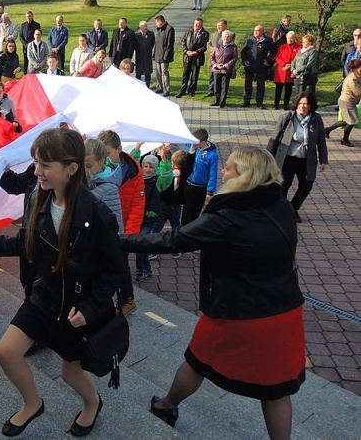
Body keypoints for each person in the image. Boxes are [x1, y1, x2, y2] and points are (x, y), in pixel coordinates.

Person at [121, 145, 306, 440]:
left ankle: (167, 406)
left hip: (237, 311)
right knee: (277, 389)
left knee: (197, 361)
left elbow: (172, 241)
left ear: (245, 176)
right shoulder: (282, 207)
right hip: (285, 310)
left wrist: (122, 241)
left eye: (229, 168)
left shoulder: (227, 218)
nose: (223, 171)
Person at [0, 128, 126, 438]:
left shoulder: (98, 213)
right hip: (44, 298)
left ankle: (92, 403)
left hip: (77, 311)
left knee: (70, 374)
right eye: (36, 163)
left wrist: (90, 307)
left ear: (72, 169)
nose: (37, 172)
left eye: (45, 165)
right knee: (6, 352)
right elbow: (25, 241)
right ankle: (33, 403)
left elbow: (114, 270)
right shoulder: (39, 195)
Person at [97, 129, 144, 315]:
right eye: (102, 155)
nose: (105, 159)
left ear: (119, 149)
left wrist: (129, 236)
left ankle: (127, 299)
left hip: (122, 230)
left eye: (107, 154)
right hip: (103, 226)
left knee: (121, 266)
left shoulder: (134, 172)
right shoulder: (101, 167)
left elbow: (137, 206)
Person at [267, 92, 328, 223]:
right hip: (287, 157)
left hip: (306, 159)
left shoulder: (316, 119)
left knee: (307, 185)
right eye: (300, 103)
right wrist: (268, 158)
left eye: (306, 104)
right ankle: (284, 211)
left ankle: (293, 209)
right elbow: (274, 139)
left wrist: (324, 160)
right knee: (283, 186)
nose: (302, 106)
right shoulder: (287, 117)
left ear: (311, 106)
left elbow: (321, 141)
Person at [133, 154, 172, 281]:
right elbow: (131, 163)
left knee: (141, 243)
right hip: (138, 216)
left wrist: (164, 161)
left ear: (156, 168)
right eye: (145, 166)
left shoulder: (158, 181)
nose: (148, 169)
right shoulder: (138, 178)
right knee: (142, 244)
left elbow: (167, 176)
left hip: (150, 219)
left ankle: (140, 269)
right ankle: (147, 268)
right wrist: (137, 149)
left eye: (151, 167)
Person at [181, 128, 218, 226]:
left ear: (203, 142)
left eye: (196, 142)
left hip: (200, 187)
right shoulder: (190, 146)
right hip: (188, 184)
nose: (193, 144)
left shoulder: (212, 155)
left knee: (195, 212)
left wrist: (210, 191)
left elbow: (213, 174)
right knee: (186, 212)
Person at [325, 58, 361, 147]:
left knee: (346, 121)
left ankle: (328, 130)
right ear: (356, 68)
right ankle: (345, 139)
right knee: (352, 121)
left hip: (348, 101)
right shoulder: (352, 79)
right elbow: (358, 92)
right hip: (347, 102)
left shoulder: (356, 75)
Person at [241, 25, 275, 109]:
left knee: (260, 85)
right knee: (248, 84)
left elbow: (274, 52)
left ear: (262, 31)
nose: (255, 32)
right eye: (255, 30)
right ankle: (246, 101)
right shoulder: (249, 39)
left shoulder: (268, 40)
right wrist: (245, 60)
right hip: (250, 66)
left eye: (258, 31)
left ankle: (259, 102)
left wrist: (268, 61)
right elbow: (243, 52)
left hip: (261, 66)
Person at [176, 18, 209, 98]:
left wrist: (196, 52)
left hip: (197, 58)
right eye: (195, 24)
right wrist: (186, 51)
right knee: (185, 75)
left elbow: (205, 46)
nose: (196, 26)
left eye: (198, 24)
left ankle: (192, 90)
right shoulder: (189, 31)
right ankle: (182, 90)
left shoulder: (205, 34)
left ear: (201, 25)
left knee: (194, 76)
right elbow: (183, 41)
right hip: (187, 57)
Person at [209, 30, 238, 109]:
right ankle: (216, 101)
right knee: (216, 86)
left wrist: (226, 65)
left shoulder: (233, 47)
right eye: (225, 36)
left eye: (228, 37)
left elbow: (234, 58)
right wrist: (216, 65)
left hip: (226, 70)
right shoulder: (217, 46)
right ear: (222, 37)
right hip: (217, 69)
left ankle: (222, 102)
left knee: (224, 87)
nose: (226, 38)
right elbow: (211, 57)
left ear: (230, 38)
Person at [273, 31, 300, 110]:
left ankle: (286, 104)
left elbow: (298, 59)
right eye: (288, 38)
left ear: (294, 38)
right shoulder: (282, 47)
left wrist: (290, 66)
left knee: (288, 89)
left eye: (291, 38)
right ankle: (276, 104)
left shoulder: (298, 47)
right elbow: (278, 58)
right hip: (282, 71)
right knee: (278, 89)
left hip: (291, 71)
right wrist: (284, 64)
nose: (289, 39)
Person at [206, 20, 233, 97]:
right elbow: (208, 43)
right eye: (217, 25)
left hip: (222, 61)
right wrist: (212, 49)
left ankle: (221, 92)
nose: (218, 27)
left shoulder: (230, 34)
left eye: (220, 25)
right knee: (211, 76)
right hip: (213, 59)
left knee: (221, 79)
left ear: (225, 26)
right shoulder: (214, 34)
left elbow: (229, 45)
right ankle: (211, 91)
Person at [153, 15, 175, 97]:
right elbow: (156, 44)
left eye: (156, 23)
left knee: (164, 72)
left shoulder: (169, 29)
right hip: (158, 54)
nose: (156, 24)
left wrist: (166, 55)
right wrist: (154, 54)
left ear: (160, 22)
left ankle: (166, 89)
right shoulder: (159, 30)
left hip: (164, 56)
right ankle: (159, 87)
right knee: (158, 72)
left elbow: (170, 44)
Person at [134, 21, 154, 87]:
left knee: (147, 73)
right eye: (144, 26)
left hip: (147, 56)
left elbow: (152, 44)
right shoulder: (136, 35)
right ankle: (138, 86)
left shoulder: (151, 34)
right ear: (140, 27)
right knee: (138, 73)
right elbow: (134, 46)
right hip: (139, 57)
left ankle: (147, 86)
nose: (145, 28)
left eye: (146, 26)